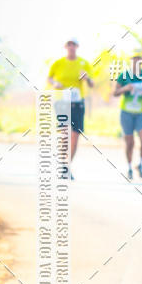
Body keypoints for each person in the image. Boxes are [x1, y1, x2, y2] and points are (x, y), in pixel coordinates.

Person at [47, 39, 94, 179]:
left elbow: (92, 84)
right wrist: (54, 83)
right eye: (69, 44)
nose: (71, 47)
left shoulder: (84, 63)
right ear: (65, 47)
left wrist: (86, 78)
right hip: (62, 101)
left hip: (77, 102)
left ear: (77, 47)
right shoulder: (58, 63)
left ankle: (66, 166)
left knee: (75, 135)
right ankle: (62, 163)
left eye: (74, 44)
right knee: (65, 133)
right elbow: (49, 78)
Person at [113, 51, 142, 179]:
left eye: (139, 58)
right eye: (134, 58)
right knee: (130, 142)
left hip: (141, 112)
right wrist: (125, 88)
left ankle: (140, 164)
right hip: (126, 112)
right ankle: (129, 167)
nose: (136, 61)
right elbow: (115, 92)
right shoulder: (124, 75)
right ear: (131, 60)